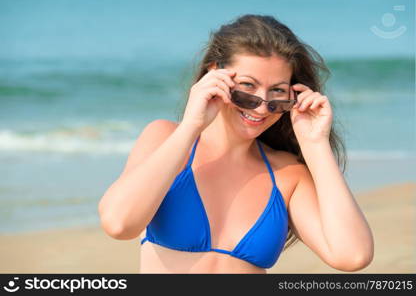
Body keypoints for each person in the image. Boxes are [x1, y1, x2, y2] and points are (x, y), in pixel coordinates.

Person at [98, 14, 374, 274]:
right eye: (247, 86)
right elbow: (119, 223)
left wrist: (315, 145)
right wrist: (192, 125)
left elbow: (353, 255)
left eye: (277, 91)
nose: (262, 107)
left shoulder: (288, 174)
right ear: (215, 75)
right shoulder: (165, 138)